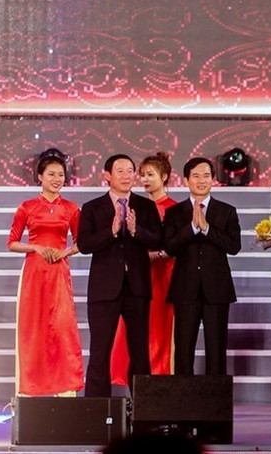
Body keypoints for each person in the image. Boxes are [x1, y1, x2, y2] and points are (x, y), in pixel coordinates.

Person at [78, 154, 164, 397]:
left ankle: (143, 405)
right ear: (107, 175)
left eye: (130, 171)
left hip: (137, 287)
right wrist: (112, 230)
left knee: (139, 351)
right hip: (104, 289)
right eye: (120, 171)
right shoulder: (92, 207)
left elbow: (159, 239)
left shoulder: (145, 206)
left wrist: (136, 231)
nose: (127, 176)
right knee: (100, 351)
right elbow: (84, 244)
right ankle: (96, 408)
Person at [7, 154, 84, 396]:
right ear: (40, 177)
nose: (57, 179)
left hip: (59, 272)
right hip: (34, 271)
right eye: (51, 174)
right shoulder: (27, 207)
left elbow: (81, 242)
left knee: (62, 327)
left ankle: (65, 388)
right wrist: (36, 248)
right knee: (34, 328)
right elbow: (12, 243)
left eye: (61, 175)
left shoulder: (71, 208)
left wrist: (64, 252)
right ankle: (31, 389)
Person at [164, 157, 241, 375]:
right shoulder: (174, 213)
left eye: (206, 176)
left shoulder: (226, 211)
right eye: (196, 176)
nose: (201, 180)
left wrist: (207, 228)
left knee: (216, 350)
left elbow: (233, 246)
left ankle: (215, 396)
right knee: (183, 350)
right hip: (185, 290)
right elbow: (170, 247)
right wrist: (191, 228)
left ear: (212, 180)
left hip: (217, 290)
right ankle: (183, 394)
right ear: (186, 180)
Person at [110, 153, 178, 388]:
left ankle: (159, 380)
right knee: (135, 331)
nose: (145, 180)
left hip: (163, 276)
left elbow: (174, 246)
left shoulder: (173, 209)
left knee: (159, 329)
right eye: (142, 175)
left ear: (165, 176)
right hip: (137, 276)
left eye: (151, 175)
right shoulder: (134, 205)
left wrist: (154, 255)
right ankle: (136, 384)